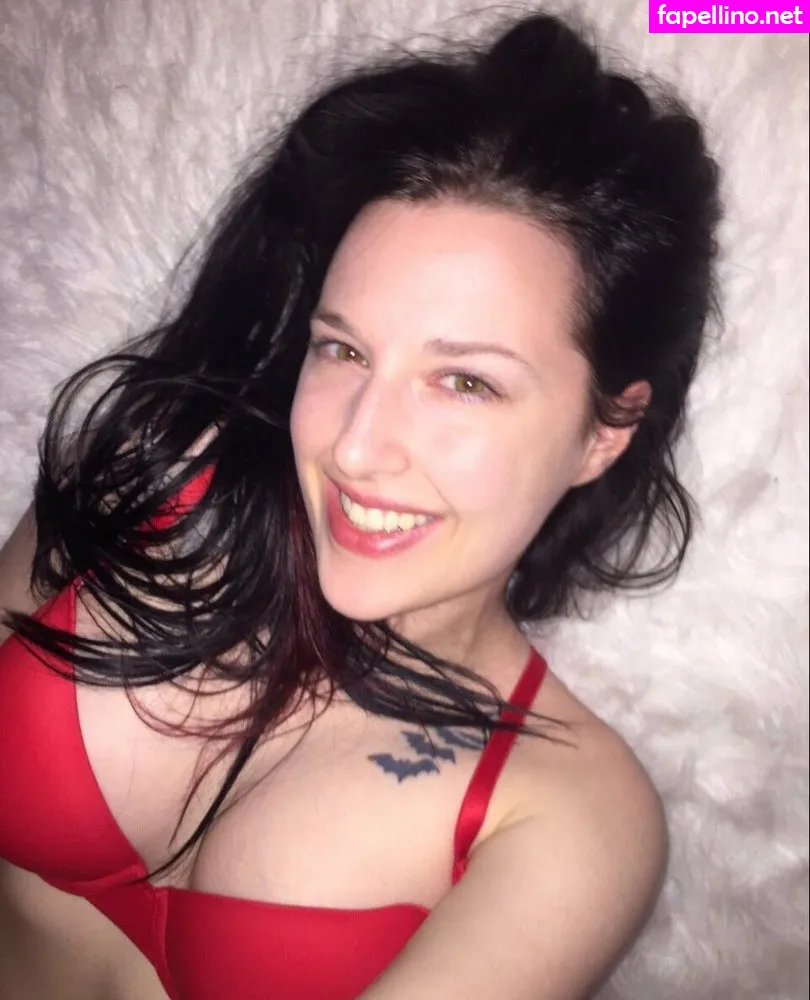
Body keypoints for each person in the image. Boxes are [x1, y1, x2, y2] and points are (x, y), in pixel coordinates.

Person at [0, 9, 722, 1000]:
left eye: (464, 381)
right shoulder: (152, 473)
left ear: (608, 427)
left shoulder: (574, 814)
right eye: (342, 348)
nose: (352, 447)